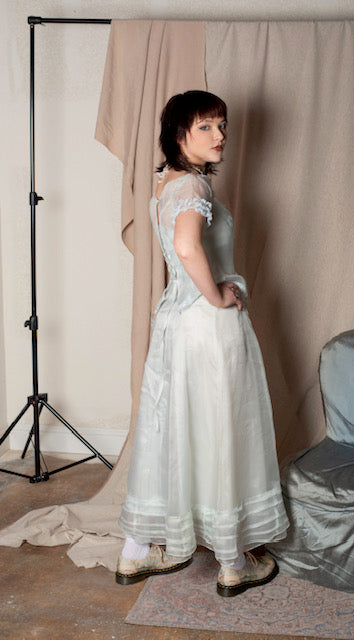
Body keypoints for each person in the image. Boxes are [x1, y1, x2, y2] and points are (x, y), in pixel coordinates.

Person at [116, 90, 288, 597]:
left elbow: (179, 249)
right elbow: (187, 246)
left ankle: (136, 552)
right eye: (207, 126)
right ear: (179, 134)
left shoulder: (166, 184)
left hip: (175, 324)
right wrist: (217, 296)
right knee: (222, 428)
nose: (221, 135)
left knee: (172, 428)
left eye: (222, 125)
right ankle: (233, 563)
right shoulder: (192, 184)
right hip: (208, 325)